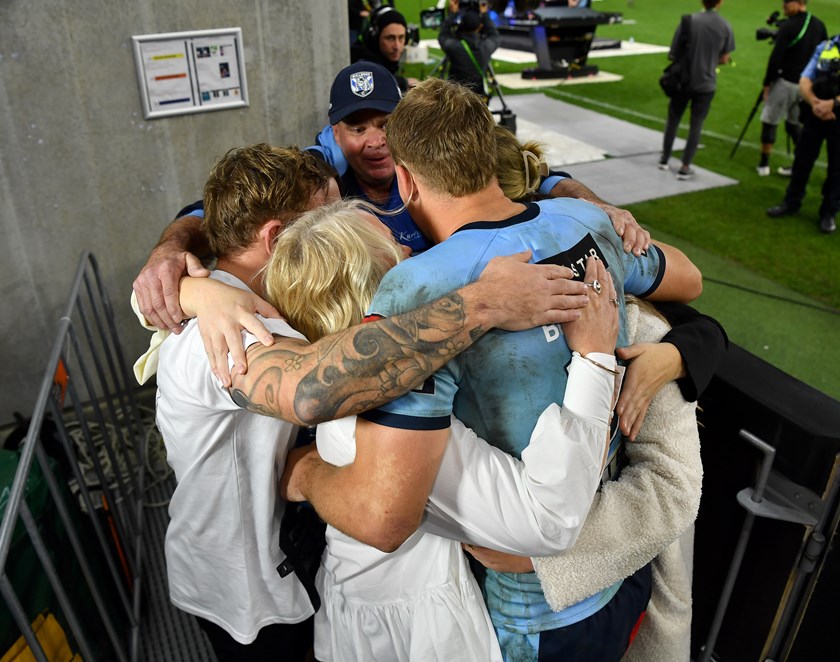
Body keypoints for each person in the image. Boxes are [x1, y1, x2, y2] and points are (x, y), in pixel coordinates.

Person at [283, 78, 704, 662]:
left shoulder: (415, 288)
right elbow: (688, 279)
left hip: (525, 608)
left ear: (405, 179)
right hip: (616, 573)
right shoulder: (587, 221)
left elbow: (385, 511)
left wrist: (303, 473)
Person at [143, 143, 587, 660]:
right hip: (247, 590)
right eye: (328, 217)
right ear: (277, 238)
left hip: (300, 557)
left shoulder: (239, 295)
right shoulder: (217, 334)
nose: (342, 226)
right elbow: (310, 390)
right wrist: (482, 304)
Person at [255, 198, 618, 661]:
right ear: (373, 289)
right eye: (397, 252)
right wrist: (595, 358)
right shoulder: (393, 408)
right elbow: (550, 521)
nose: (414, 255)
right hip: (417, 634)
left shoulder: (364, 383)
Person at [133, 62, 653, 339]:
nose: (374, 140)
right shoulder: (322, 180)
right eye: (357, 127)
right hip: (372, 348)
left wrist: (587, 198)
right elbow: (222, 217)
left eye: (385, 123)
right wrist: (170, 254)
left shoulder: (432, 161)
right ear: (334, 134)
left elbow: (529, 174)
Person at [766, 33, 840, 234]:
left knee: (837, 168)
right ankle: (791, 202)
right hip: (815, 113)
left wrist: (833, 103)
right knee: (802, 160)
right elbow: (806, 78)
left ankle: (829, 212)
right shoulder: (826, 46)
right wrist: (816, 103)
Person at [659, 0, 735, 180]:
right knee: (696, 124)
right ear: (720, 3)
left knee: (673, 120)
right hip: (706, 84)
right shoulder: (725, 25)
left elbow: (673, 53)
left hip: (682, 82)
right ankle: (685, 167)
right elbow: (724, 59)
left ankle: (664, 159)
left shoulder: (688, 21)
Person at [756, 0, 827, 177]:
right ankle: (798, 165)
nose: (784, 6)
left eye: (787, 3)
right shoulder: (819, 25)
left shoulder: (788, 26)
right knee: (795, 124)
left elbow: (775, 58)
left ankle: (764, 164)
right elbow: (824, 56)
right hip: (807, 87)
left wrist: (766, 83)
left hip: (785, 82)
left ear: (799, 3)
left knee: (770, 120)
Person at [438, 1, 500, 98]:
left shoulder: (454, 47)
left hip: (456, 98)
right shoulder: (485, 47)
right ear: (479, 26)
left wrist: (452, 15)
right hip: (478, 99)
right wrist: (485, 15)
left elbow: (443, 35)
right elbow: (494, 35)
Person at [350, 5, 415, 92]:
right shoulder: (361, 61)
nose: (397, 46)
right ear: (375, 38)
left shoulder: (387, 61)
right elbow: (364, 83)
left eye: (401, 37)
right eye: (390, 38)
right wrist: (403, 83)